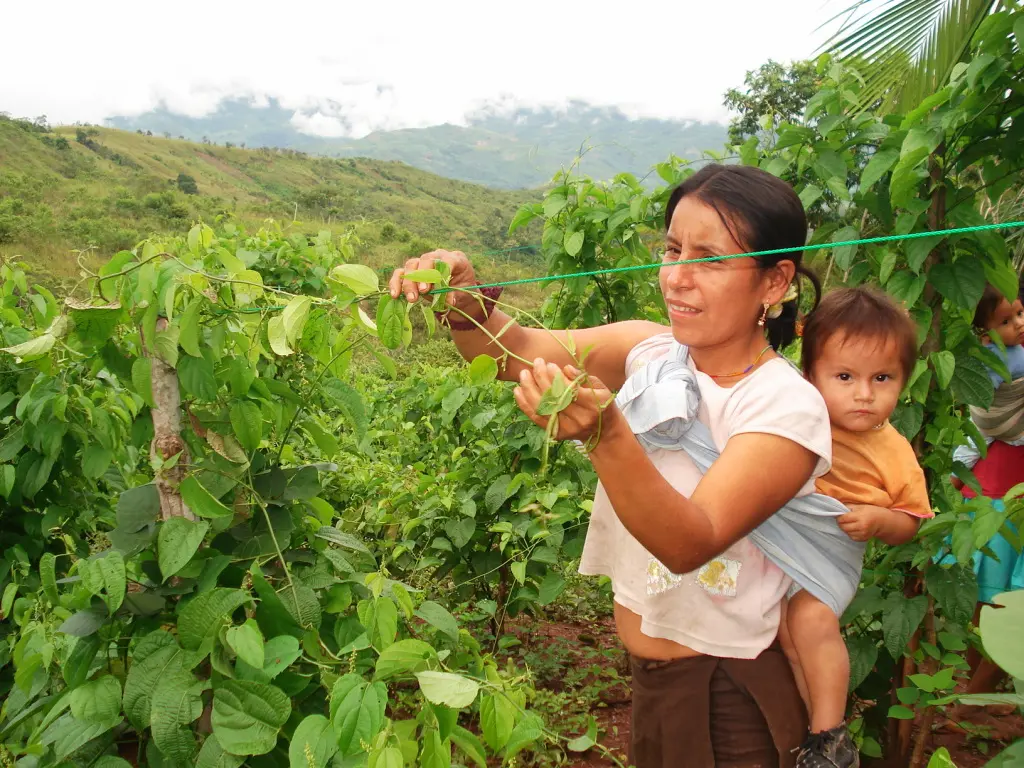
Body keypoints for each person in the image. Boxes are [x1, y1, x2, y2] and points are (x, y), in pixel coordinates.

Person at [391, 163, 876, 766]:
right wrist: (462, 304)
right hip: (652, 684)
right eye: (673, 250)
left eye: (711, 259)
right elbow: (514, 351)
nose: (677, 278)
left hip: (730, 696)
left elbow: (689, 540)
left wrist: (606, 433)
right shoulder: (651, 352)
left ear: (775, 282)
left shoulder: (784, 405)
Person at [778, 287, 933, 760]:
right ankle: (811, 724)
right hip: (786, 538)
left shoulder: (894, 450)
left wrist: (880, 519)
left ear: (903, 381)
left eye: (882, 378)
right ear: (810, 376)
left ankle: (831, 733)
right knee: (786, 637)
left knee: (811, 619)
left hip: (833, 546)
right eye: (844, 376)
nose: (863, 395)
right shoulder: (802, 414)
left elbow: (911, 521)